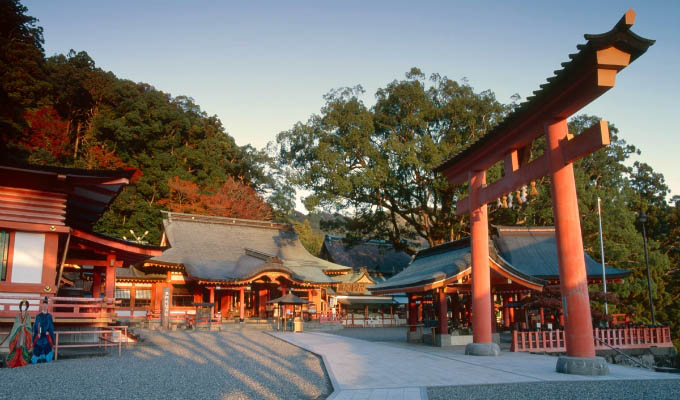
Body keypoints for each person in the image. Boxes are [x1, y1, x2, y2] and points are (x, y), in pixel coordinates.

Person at [5, 299, 33, 368]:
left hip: (25, 334)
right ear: (20, 308)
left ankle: (23, 361)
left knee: (23, 347)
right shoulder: (18, 315)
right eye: (22, 306)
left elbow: (29, 325)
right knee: (17, 347)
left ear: (26, 307)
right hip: (18, 334)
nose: (23, 309)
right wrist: (20, 325)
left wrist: (25, 326)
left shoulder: (28, 315)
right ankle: (14, 361)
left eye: (25, 306)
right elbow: (16, 324)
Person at [32, 297, 55, 363]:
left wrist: (49, 333)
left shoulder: (49, 316)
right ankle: (37, 358)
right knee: (38, 343)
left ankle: (46, 358)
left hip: (46, 335)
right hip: (39, 335)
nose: (44, 307)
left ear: (47, 307)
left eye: (46, 306)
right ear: (42, 307)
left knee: (46, 343)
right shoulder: (38, 316)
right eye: (43, 306)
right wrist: (38, 331)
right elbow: (36, 325)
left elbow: (51, 326)